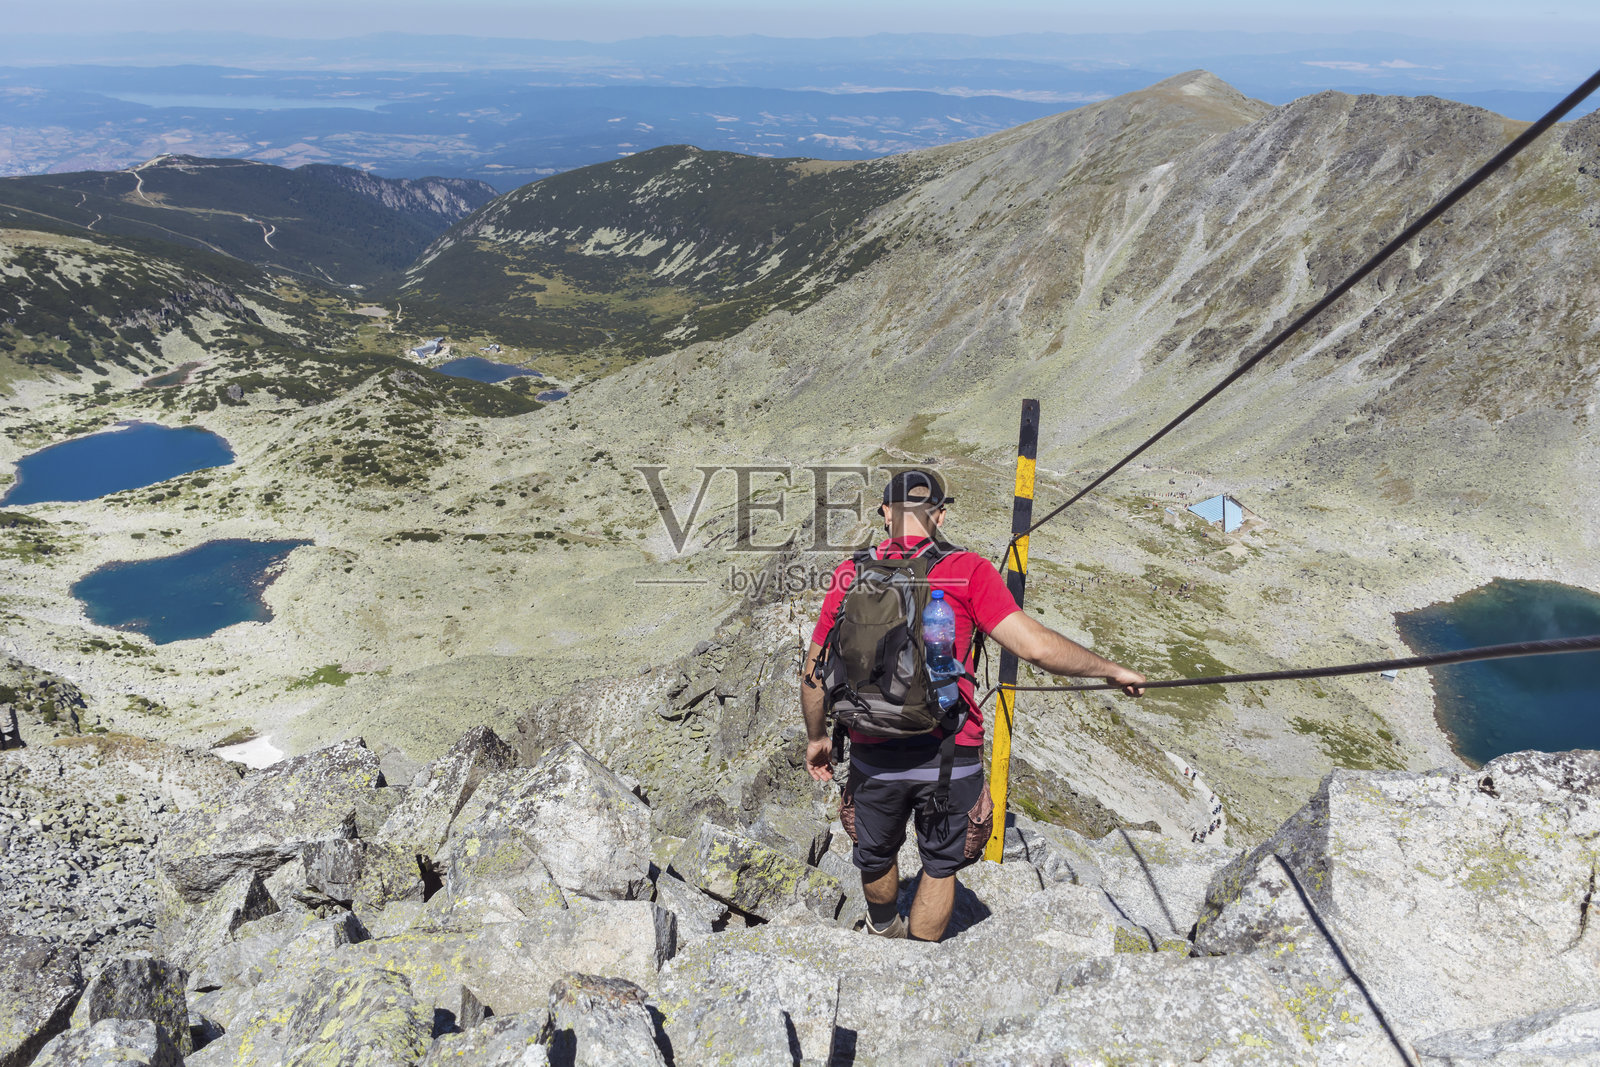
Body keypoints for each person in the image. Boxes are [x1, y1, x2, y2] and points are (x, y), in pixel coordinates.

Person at [801, 468, 1146, 941]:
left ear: (884, 513)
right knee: (940, 864)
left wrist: (817, 738)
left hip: (870, 745)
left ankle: (882, 930)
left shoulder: (849, 573)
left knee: (875, 852)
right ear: (940, 515)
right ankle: (920, 959)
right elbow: (1035, 648)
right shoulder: (968, 570)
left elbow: (814, 672)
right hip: (948, 749)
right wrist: (1110, 669)